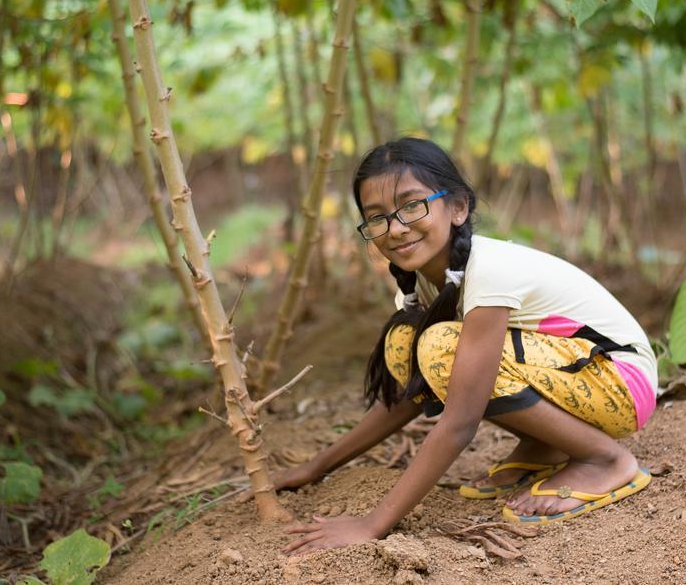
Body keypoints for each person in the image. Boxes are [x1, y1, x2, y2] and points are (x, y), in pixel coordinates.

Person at [276, 138, 656, 555]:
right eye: (378, 217)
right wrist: (318, 468)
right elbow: (409, 395)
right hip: (578, 376)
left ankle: (605, 460)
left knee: (441, 348)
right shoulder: (420, 282)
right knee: (407, 343)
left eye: (412, 205)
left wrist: (373, 524)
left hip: (621, 382)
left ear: (457, 207)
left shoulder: (490, 271)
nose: (397, 227)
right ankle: (544, 443)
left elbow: (461, 419)